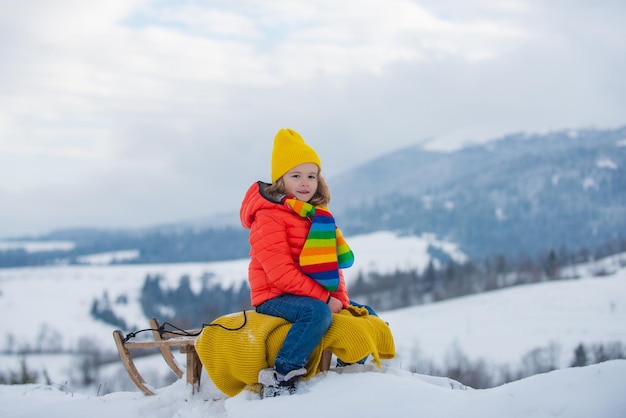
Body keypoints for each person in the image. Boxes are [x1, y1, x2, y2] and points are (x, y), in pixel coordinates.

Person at [239, 128, 373, 397]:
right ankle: (282, 375)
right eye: (296, 175)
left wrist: (340, 300)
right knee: (317, 313)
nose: (305, 183)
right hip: (275, 294)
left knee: (363, 312)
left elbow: (330, 268)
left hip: (310, 293)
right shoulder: (269, 218)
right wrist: (325, 301)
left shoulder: (317, 215)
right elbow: (280, 273)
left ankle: (350, 373)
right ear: (281, 180)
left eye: (311, 176)